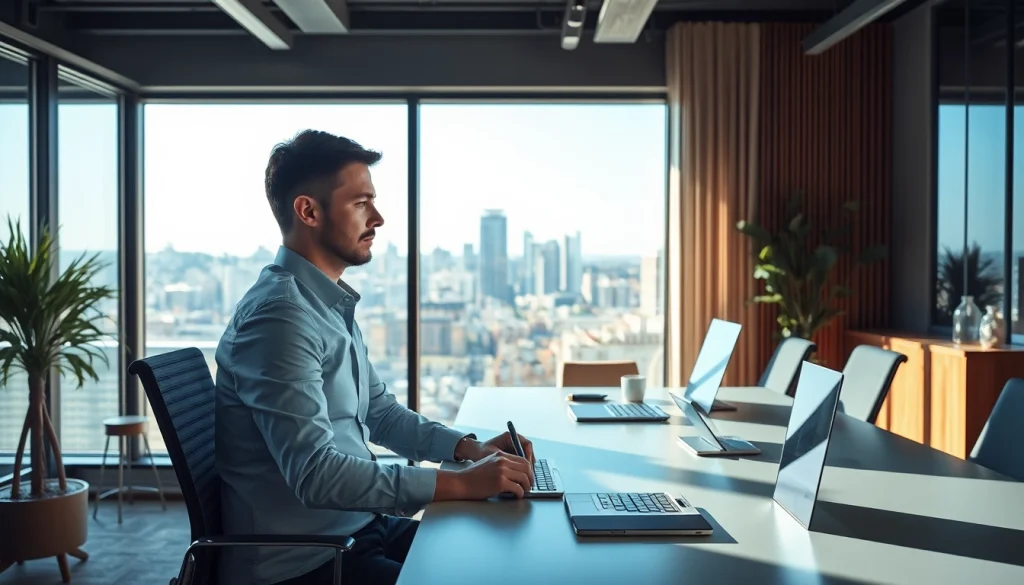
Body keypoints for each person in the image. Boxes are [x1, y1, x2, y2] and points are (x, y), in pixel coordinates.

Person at [214, 129, 537, 585]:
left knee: (500, 557)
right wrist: (461, 483)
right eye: (361, 202)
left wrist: (469, 449)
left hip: (359, 528)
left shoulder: (323, 303)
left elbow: (379, 414)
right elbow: (316, 474)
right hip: (307, 563)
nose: (379, 217)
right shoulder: (280, 318)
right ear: (308, 210)